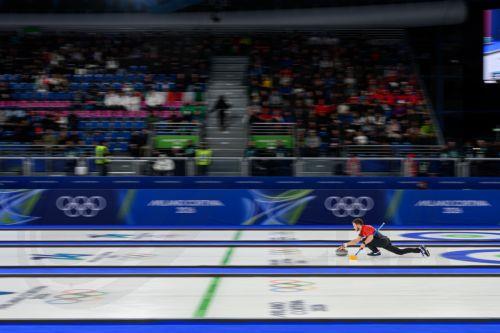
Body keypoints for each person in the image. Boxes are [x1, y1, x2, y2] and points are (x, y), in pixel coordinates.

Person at [338, 218, 430, 257]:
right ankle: (420, 249)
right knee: (399, 252)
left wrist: (364, 243)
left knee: (365, 240)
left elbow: (370, 238)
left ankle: (376, 251)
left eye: (354, 225)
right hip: (384, 241)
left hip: (383, 241)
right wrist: (344, 244)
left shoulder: (366, 228)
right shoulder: (362, 231)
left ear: (358, 224)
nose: (353, 227)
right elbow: (355, 241)